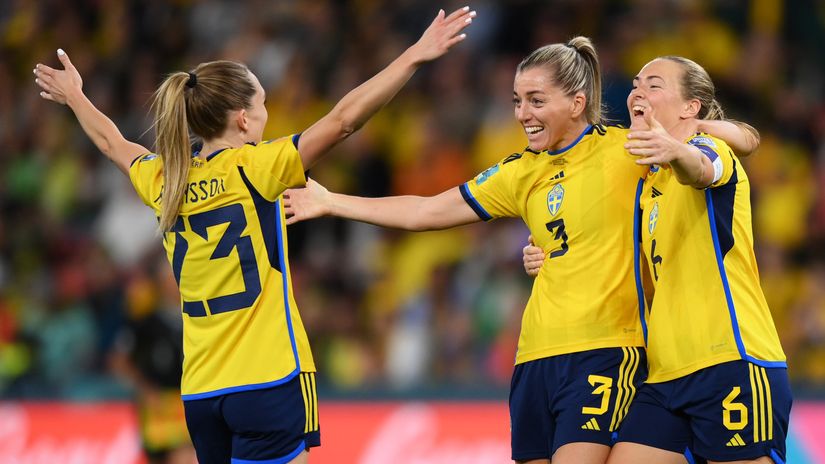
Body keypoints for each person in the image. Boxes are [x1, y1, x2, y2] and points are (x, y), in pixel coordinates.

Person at [32, 7, 476, 464]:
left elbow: (112, 144)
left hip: (202, 389)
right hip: (267, 377)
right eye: (263, 103)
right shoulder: (257, 168)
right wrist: (414, 57)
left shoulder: (166, 178)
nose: (268, 114)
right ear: (243, 119)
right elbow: (344, 120)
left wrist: (76, 98)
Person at [283, 38, 757, 464]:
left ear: (577, 102)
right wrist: (332, 203)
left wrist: (717, 131)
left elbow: (732, 142)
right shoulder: (519, 172)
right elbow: (426, 211)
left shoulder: (628, 151)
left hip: (608, 352)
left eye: (535, 100)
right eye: (516, 101)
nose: (523, 113)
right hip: (533, 358)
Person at [524, 57, 790, 464]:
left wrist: (678, 147)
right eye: (635, 84)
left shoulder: (711, 149)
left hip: (729, 360)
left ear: (689, 107)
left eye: (654, 84)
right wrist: (549, 253)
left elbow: (702, 169)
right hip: (664, 373)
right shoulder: (648, 184)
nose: (637, 92)